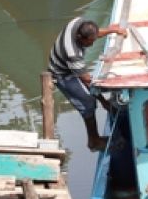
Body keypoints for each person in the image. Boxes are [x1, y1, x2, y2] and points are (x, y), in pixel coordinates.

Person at [47, 17, 126, 151]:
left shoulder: (78, 23)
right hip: (63, 74)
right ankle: (94, 141)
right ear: (80, 38)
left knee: (93, 94)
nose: (92, 44)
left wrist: (112, 30)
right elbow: (87, 80)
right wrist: (103, 101)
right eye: (90, 42)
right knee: (88, 103)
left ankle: (103, 115)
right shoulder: (73, 53)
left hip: (71, 66)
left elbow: (94, 32)